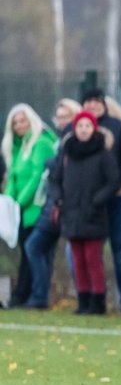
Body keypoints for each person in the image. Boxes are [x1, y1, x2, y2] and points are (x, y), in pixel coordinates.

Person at [48, 110, 120, 315]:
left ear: (94, 128)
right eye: (80, 126)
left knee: (92, 259)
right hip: (70, 213)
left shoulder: (103, 154)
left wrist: (97, 201)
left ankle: (98, 302)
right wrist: (59, 199)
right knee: (77, 259)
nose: (83, 130)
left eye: (88, 126)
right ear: (74, 128)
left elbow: (113, 181)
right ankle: (83, 300)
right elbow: (56, 179)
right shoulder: (67, 152)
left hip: (93, 214)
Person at [80, 88, 121, 315]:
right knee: (84, 252)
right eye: (89, 101)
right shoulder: (76, 131)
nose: (93, 106)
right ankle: (90, 299)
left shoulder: (117, 127)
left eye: (97, 101)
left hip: (114, 200)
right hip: (87, 203)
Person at [20, 99, 80, 310]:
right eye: (59, 117)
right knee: (38, 247)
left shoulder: (72, 139)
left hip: (64, 204)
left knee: (38, 247)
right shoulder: (60, 139)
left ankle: (41, 297)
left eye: (66, 117)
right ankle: (39, 296)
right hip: (53, 202)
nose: (62, 121)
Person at [2, 104, 58, 306]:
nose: (19, 125)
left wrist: (19, 202)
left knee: (32, 251)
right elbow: (13, 178)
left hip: (36, 209)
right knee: (26, 252)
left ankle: (33, 296)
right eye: (15, 122)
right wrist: (8, 201)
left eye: (22, 120)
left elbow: (38, 178)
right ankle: (23, 296)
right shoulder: (18, 148)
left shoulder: (41, 144)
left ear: (31, 119)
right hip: (19, 212)